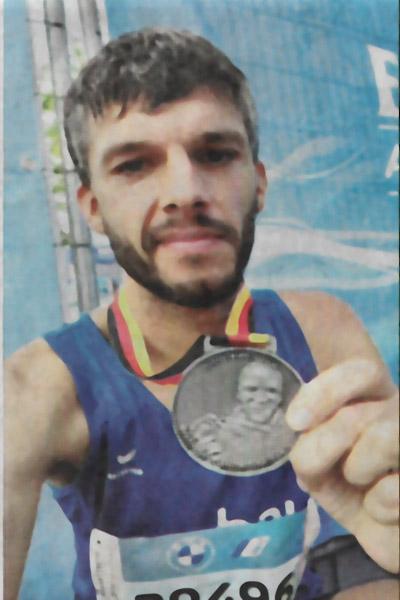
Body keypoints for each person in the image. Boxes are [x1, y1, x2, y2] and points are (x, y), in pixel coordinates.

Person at [5, 28, 398, 600]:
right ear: (93, 208)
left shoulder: (322, 331)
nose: (185, 190)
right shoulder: (34, 391)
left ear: (258, 184)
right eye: (134, 165)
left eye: (215, 155)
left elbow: (377, 551)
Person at [184, 361, 295, 470]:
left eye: (271, 391)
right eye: (252, 389)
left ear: (280, 397)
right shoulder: (213, 433)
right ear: (239, 393)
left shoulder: (293, 436)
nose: (261, 398)